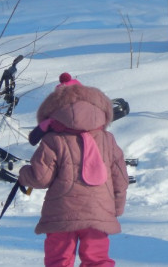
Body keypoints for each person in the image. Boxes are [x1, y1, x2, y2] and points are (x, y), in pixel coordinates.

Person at [18, 72, 130, 267]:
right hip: (99, 213)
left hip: (61, 215)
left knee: (59, 260)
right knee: (97, 260)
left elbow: (40, 178)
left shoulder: (53, 139)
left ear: (55, 109)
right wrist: (116, 207)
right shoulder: (108, 140)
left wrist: (23, 175)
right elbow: (120, 178)